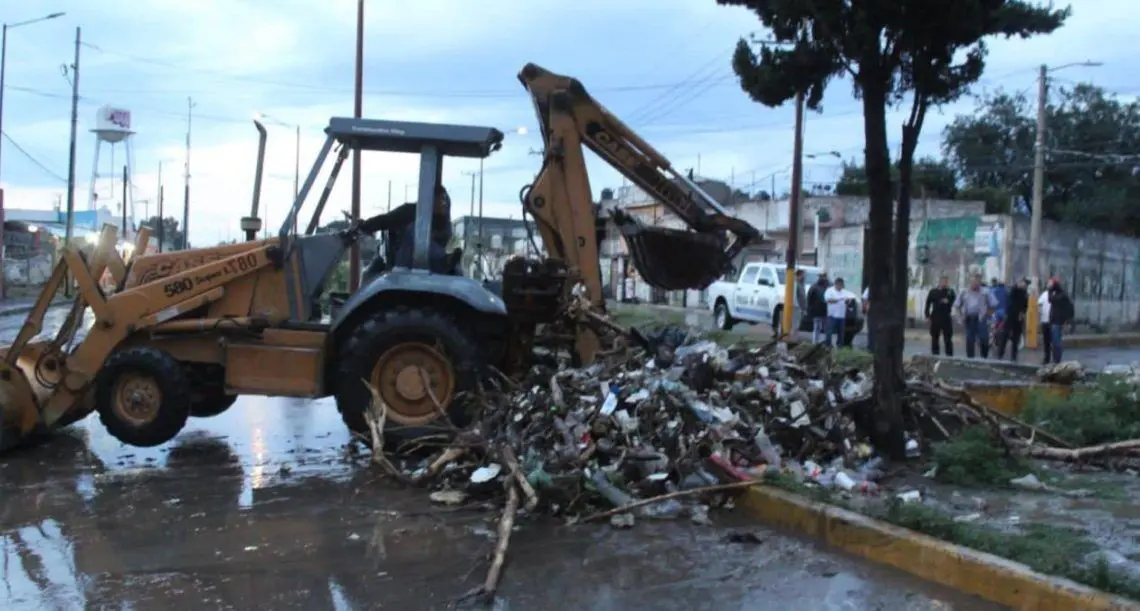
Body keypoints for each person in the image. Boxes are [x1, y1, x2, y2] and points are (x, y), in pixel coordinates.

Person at [390, 184, 461, 274]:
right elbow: (385, 219)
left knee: (457, 269)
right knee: (415, 229)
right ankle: (444, 260)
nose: (443, 203)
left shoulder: (444, 223)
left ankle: (447, 264)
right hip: (407, 266)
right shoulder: (414, 214)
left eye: (444, 199)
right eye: (440, 199)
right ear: (431, 201)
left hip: (434, 269)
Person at [954, 273, 998, 359]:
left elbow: (994, 304)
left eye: (978, 281)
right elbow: (957, 305)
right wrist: (960, 318)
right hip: (969, 319)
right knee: (970, 340)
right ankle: (970, 359)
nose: (976, 284)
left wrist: (988, 314)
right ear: (970, 282)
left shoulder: (986, 292)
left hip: (981, 319)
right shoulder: (964, 292)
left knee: (984, 339)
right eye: (974, 281)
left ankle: (984, 357)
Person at [998, 278, 1029, 361]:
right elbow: (1012, 293)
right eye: (1023, 283)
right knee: (1005, 335)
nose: (1024, 285)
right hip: (1010, 316)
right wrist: (1017, 285)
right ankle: (1000, 354)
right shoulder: (1014, 290)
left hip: (1018, 318)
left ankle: (1014, 356)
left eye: (1025, 284)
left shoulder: (1025, 294)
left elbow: (1026, 306)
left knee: (1016, 338)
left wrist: (1022, 313)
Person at [924, 274, 956, 356]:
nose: (945, 283)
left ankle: (949, 356)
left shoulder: (950, 292)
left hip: (946, 317)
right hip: (935, 317)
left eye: (946, 281)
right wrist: (927, 316)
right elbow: (928, 304)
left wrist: (948, 301)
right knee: (935, 338)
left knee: (948, 338)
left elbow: (953, 300)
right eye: (943, 281)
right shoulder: (933, 291)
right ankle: (935, 355)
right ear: (940, 281)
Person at [1047, 278, 1074, 364]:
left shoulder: (1060, 295)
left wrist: (1049, 290)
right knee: (1055, 341)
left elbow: (1051, 299)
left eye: (1051, 283)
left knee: (1056, 341)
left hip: (1057, 321)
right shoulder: (1060, 294)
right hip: (1055, 320)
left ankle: (1057, 359)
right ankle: (1056, 358)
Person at [823, 277, 854, 347]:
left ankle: (840, 345)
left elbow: (849, 301)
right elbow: (827, 300)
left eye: (842, 285)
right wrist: (838, 300)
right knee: (829, 331)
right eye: (839, 285)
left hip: (841, 315)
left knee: (841, 333)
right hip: (832, 315)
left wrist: (848, 301)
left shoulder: (845, 292)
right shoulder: (830, 290)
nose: (841, 286)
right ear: (836, 284)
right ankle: (828, 345)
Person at [806, 272, 829, 344]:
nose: (822, 278)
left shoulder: (829, 286)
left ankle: (826, 343)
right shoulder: (814, 287)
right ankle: (815, 342)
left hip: (826, 311)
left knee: (826, 328)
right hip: (816, 311)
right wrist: (809, 310)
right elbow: (809, 299)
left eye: (823, 276)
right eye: (821, 276)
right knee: (817, 327)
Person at [1038, 279, 1054, 364]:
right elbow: (1039, 305)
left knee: (1052, 341)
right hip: (1045, 320)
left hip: (1052, 321)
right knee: (1047, 341)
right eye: (1048, 284)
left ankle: (1052, 357)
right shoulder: (1044, 294)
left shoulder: (1056, 294)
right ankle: (1047, 357)